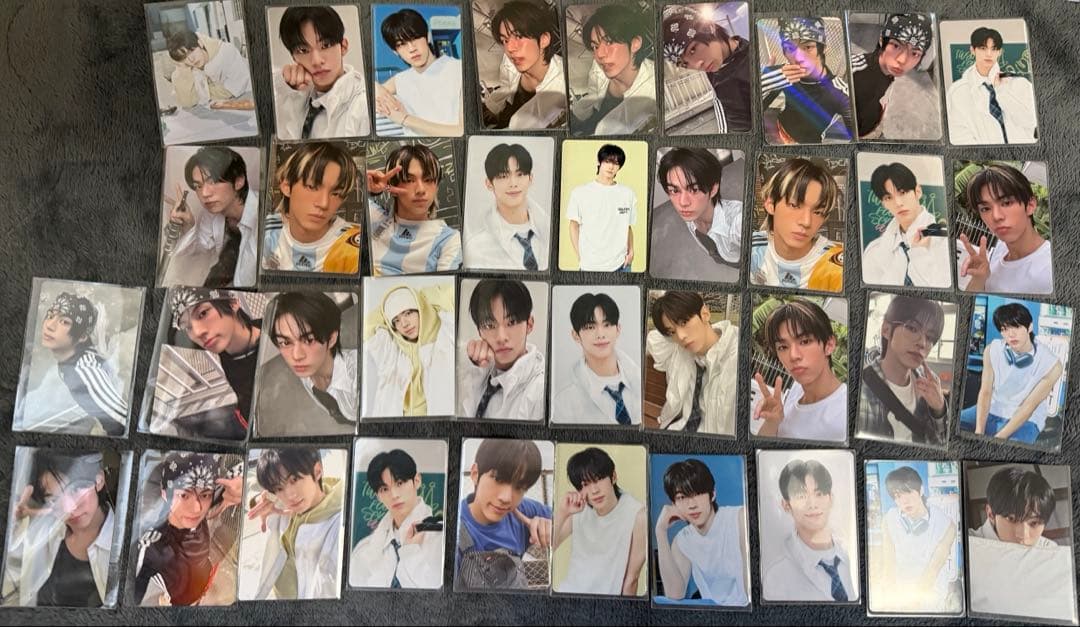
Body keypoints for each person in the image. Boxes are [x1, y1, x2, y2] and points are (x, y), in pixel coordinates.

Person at [2, 450, 117, 607]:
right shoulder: (42, 531)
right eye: (54, 499)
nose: (68, 508)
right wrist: (10, 523)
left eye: (75, 490)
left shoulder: (126, 545)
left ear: (99, 480)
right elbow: (13, 584)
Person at [133, 452, 243, 606]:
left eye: (205, 495)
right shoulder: (152, 547)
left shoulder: (207, 486)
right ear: (165, 494)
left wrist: (242, 484)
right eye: (184, 495)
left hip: (202, 576)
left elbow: (236, 466)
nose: (197, 508)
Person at [163, 288, 261, 440]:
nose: (197, 332)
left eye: (203, 313)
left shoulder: (277, 340)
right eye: (187, 327)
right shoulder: (224, 347)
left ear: (233, 302)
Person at [246, 448, 344, 599]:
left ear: (317, 471)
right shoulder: (279, 505)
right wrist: (257, 500)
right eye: (279, 488)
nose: (290, 495)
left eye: (294, 480)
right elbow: (248, 485)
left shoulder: (338, 525)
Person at [960, 303, 1063, 444]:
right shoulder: (991, 350)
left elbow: (1029, 406)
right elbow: (985, 392)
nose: (1011, 334)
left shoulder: (1052, 365)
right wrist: (979, 431)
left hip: (1027, 418)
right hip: (993, 407)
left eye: (1017, 327)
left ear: (1030, 327)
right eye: (1005, 329)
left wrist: (998, 439)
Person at [457, 439, 552, 590]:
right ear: (475, 474)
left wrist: (550, 529)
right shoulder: (454, 531)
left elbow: (569, 521)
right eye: (498, 479)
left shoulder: (521, 512)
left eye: (519, 487)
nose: (506, 498)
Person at [553, 447, 647, 596]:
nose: (594, 490)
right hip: (568, 595)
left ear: (613, 477)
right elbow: (550, 547)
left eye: (598, 479)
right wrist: (562, 512)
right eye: (585, 484)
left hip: (605, 604)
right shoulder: (579, 509)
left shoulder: (637, 514)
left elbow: (631, 579)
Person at [654, 459, 748, 606]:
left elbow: (753, 590)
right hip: (712, 614)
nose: (692, 505)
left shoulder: (739, 519)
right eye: (682, 497)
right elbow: (674, 594)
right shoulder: (682, 541)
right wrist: (660, 532)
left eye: (697, 494)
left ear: (712, 494)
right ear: (674, 504)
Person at [761, 458, 857, 602]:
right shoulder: (776, 576)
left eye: (819, 494)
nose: (812, 504)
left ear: (831, 498)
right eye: (801, 496)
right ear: (786, 505)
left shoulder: (852, 554)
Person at [857, 296, 948, 445]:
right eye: (912, 328)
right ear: (886, 330)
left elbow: (941, 446)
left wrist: (939, 410)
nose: (922, 343)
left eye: (930, 337)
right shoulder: (862, 393)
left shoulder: (929, 385)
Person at [753, 299, 846, 442]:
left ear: (829, 345)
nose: (793, 356)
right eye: (783, 347)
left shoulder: (844, 415)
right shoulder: (797, 388)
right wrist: (773, 421)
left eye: (805, 341)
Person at [646, 291, 739, 434]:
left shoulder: (734, 359)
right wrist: (666, 301)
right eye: (672, 332)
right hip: (676, 428)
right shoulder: (679, 350)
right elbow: (653, 340)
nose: (681, 336)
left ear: (705, 314)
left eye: (684, 322)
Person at [262, 141, 361, 274]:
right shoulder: (266, 231)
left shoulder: (352, 247)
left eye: (336, 193)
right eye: (312, 187)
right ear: (287, 187)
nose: (324, 203)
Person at [36, 292, 127, 436]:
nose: (49, 325)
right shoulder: (66, 361)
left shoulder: (84, 372)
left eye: (64, 322)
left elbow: (123, 421)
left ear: (83, 336)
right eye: (51, 315)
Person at [349, 449, 443, 589]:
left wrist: (410, 553)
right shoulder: (364, 551)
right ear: (378, 496)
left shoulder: (441, 538)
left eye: (399, 483)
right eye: (384, 489)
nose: (394, 495)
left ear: (417, 480)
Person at [273, 6, 371, 140]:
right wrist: (284, 85)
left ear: (343, 47)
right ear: (294, 57)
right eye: (303, 50)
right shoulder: (293, 98)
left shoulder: (364, 106)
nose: (316, 61)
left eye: (325, 45)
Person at [165, 146, 258, 287]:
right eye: (198, 186)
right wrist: (189, 225)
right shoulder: (212, 213)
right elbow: (199, 247)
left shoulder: (265, 216)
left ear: (239, 181)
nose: (204, 194)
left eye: (213, 182)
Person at [749, 157, 843, 292]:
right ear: (770, 205)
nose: (806, 222)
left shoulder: (834, 264)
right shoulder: (752, 248)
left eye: (818, 212)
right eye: (794, 205)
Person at [367, 143, 462, 275]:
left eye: (428, 179)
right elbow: (342, 186)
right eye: (409, 180)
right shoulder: (374, 219)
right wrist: (369, 186)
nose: (421, 190)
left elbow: (447, 286)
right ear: (392, 186)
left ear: (437, 187)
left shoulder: (448, 240)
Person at [872, 466, 958, 612]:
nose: (904, 501)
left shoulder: (946, 525)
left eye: (909, 492)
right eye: (898, 496)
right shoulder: (889, 520)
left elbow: (933, 570)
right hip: (899, 598)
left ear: (921, 490)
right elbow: (889, 565)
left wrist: (912, 604)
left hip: (930, 599)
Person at [957, 163, 1052, 294]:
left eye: (1006, 203)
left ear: (1030, 205)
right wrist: (979, 278)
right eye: (985, 208)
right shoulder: (1001, 248)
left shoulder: (1049, 271)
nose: (996, 216)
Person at [362, 282, 455, 417]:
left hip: (435, 422)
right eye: (396, 320)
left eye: (408, 313)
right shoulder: (393, 352)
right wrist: (387, 310)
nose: (404, 324)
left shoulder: (444, 338)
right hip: (397, 423)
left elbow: (453, 295)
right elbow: (366, 326)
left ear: (420, 309)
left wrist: (422, 297)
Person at [268, 292, 357, 428]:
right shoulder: (306, 374)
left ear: (331, 338)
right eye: (285, 342)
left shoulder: (358, 374)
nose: (296, 356)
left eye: (309, 340)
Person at [651, 148, 741, 282]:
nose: (683, 203)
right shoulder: (691, 217)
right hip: (720, 254)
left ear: (713, 189)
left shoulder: (737, 220)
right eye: (674, 190)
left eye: (694, 189)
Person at [460, 280, 545, 421]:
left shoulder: (540, 392)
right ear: (479, 331)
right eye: (489, 325)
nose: (501, 337)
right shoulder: (478, 373)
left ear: (529, 324)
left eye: (511, 322)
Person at [551, 292, 640, 426]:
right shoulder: (563, 403)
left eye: (607, 324)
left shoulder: (639, 379)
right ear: (575, 335)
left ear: (618, 329)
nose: (600, 334)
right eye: (590, 327)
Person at [760, 17, 853, 143]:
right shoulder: (784, 74)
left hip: (809, 143)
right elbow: (752, 113)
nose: (798, 58)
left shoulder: (839, 92)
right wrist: (764, 82)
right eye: (790, 48)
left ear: (823, 48)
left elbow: (857, 136)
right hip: (780, 129)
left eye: (808, 47)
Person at [660, 7, 752, 133]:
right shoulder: (721, 81)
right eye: (685, 64)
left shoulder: (749, 48)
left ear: (709, 28)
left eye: (693, 49)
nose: (697, 65)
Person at [374, 8, 464, 136]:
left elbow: (461, 132)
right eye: (401, 44)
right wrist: (377, 88)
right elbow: (364, 92)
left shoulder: (458, 69)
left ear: (428, 36)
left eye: (415, 38)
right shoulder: (401, 79)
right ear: (395, 51)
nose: (411, 49)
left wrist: (405, 119)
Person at [861, 162, 951, 288]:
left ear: (917, 191)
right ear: (883, 204)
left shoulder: (946, 242)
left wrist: (919, 254)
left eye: (902, 192)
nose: (898, 203)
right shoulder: (874, 252)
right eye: (888, 197)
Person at [569, 6, 656, 135]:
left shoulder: (654, 89)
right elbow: (591, 103)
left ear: (635, 44)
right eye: (595, 46)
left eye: (609, 42)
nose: (599, 54)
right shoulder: (598, 70)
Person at [481, 1, 567, 129]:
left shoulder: (562, 84)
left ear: (544, 39)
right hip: (509, 112)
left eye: (519, 36)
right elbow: (506, 87)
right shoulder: (510, 62)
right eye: (505, 40)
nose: (509, 48)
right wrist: (493, 108)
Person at [464, 143, 549, 271]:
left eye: (520, 174)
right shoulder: (476, 247)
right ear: (489, 184)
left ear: (530, 179)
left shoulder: (551, 230)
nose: (513, 184)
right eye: (503, 176)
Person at [946, 27, 1038, 145]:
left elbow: (1032, 122)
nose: (989, 54)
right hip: (985, 156)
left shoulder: (1018, 83)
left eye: (993, 49)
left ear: (999, 52)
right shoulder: (957, 92)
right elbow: (958, 137)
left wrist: (1001, 92)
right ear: (973, 50)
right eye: (983, 48)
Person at [850, 13, 934, 139]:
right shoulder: (854, 74)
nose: (902, 60)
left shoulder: (888, 71)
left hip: (873, 124)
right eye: (896, 46)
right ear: (881, 40)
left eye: (915, 53)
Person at [565, 144, 637, 272]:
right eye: (607, 161)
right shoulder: (580, 193)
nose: (611, 167)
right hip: (590, 267)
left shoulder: (627, 194)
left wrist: (631, 252)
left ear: (619, 167)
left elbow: (627, 226)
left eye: (616, 163)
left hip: (621, 265)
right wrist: (580, 256)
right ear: (599, 162)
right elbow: (573, 226)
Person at [166, 30, 253, 110]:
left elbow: (231, 90)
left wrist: (201, 93)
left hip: (249, 98)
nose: (191, 59)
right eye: (184, 58)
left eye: (192, 51)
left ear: (200, 43)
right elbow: (187, 102)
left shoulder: (226, 52)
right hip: (223, 108)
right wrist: (183, 70)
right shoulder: (190, 66)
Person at [971, 467, 1055, 547]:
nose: (1022, 535)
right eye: (1011, 519)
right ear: (991, 514)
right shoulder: (968, 543)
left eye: (1034, 523)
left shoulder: (1050, 550)